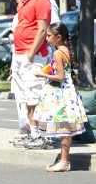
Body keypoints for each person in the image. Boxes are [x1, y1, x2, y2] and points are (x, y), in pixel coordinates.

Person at [31, 23, 87, 172]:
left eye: (49, 36)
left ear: (58, 37)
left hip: (60, 94)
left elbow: (61, 77)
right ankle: (63, 160)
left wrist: (42, 74)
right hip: (68, 93)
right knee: (65, 128)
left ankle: (64, 161)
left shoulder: (57, 53)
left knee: (63, 128)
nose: (47, 38)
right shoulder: (65, 50)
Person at [10, 0, 52, 148]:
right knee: (26, 97)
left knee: (35, 96)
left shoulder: (41, 0)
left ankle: (40, 136)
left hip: (33, 56)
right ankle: (32, 134)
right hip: (19, 54)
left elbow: (42, 30)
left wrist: (30, 54)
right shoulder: (24, 0)